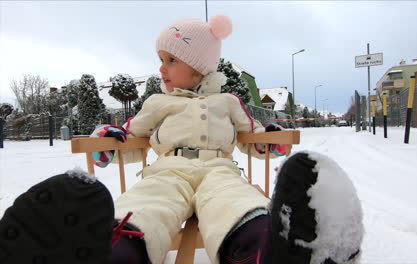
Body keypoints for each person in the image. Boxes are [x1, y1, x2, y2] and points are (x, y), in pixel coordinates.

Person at [0, 15, 363, 264]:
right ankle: (114, 254)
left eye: (170, 59)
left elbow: (249, 135)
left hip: (219, 169)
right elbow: (132, 133)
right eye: (161, 59)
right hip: (168, 170)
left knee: (232, 201)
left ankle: (267, 250)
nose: (161, 68)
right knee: (147, 204)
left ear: (199, 65)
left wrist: (269, 140)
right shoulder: (158, 102)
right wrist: (111, 139)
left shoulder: (228, 101)